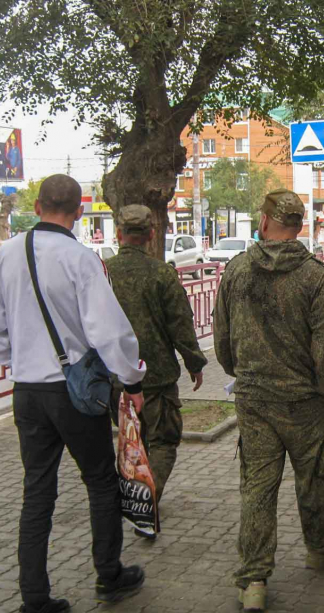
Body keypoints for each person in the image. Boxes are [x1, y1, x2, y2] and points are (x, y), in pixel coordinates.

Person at [0, 174, 148, 613]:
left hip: (27, 391)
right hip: (73, 392)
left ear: (37, 205)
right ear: (79, 210)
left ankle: (34, 603)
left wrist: (14, 362)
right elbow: (108, 331)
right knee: (99, 481)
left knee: (37, 492)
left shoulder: (6, 253)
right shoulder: (81, 259)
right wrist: (132, 379)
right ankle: (109, 576)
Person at [214, 189, 324, 612]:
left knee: (257, 486)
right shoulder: (314, 276)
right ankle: (321, 547)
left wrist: (243, 374)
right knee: (313, 476)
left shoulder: (236, 271)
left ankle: (253, 579)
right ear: (299, 226)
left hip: (254, 399)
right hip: (305, 401)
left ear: (266, 220)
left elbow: (222, 340)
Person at [106, 204, 208, 541]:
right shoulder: (161, 274)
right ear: (151, 234)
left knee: (131, 440)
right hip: (157, 378)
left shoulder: (102, 272)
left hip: (114, 379)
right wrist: (194, 362)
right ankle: (145, 504)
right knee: (162, 440)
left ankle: (133, 498)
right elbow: (180, 323)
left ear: (118, 233)